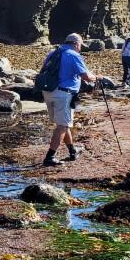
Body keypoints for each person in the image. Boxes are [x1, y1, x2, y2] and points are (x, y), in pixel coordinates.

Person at [40, 33, 106, 167]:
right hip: (63, 94)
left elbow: (42, 70)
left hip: (48, 92)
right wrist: (97, 77)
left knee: (63, 123)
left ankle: (72, 151)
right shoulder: (73, 55)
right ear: (76, 44)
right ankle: (50, 157)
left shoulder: (53, 53)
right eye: (81, 45)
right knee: (62, 126)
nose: (80, 48)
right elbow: (86, 77)